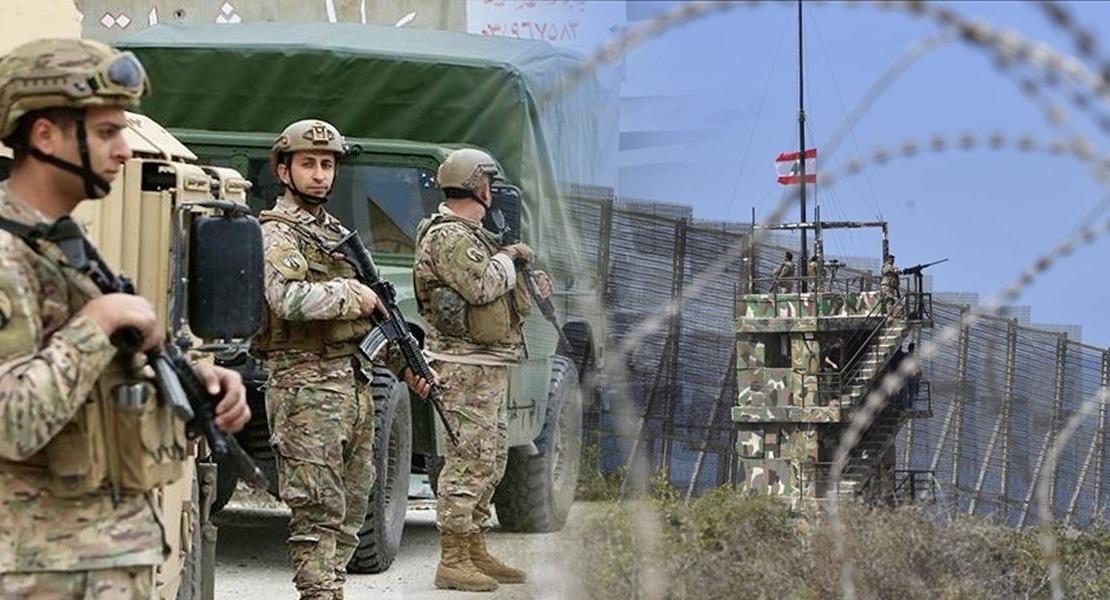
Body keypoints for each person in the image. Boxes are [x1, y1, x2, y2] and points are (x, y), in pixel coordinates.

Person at [0, 38, 250, 598]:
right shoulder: (8, 256)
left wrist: (195, 383)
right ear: (45, 136)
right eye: (107, 132)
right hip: (38, 570)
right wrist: (98, 322)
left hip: (97, 560)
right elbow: (11, 421)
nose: (124, 150)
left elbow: (90, 395)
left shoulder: (63, 246)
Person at [252, 118, 431, 600]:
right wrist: (352, 294)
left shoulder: (334, 234)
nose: (319, 175)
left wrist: (406, 365)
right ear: (284, 171)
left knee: (352, 504)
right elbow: (285, 299)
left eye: (327, 165)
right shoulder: (277, 234)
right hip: (304, 387)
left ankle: (332, 590)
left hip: (351, 385)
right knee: (317, 509)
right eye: (308, 164)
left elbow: (368, 324)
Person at [414, 147, 549, 592]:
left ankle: (473, 547)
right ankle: (452, 559)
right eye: (489, 183)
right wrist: (509, 257)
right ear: (479, 188)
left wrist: (525, 273)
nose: (492, 192)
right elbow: (482, 285)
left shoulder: (475, 235)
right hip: (462, 367)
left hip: (486, 364)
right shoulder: (449, 237)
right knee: (467, 462)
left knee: (490, 459)